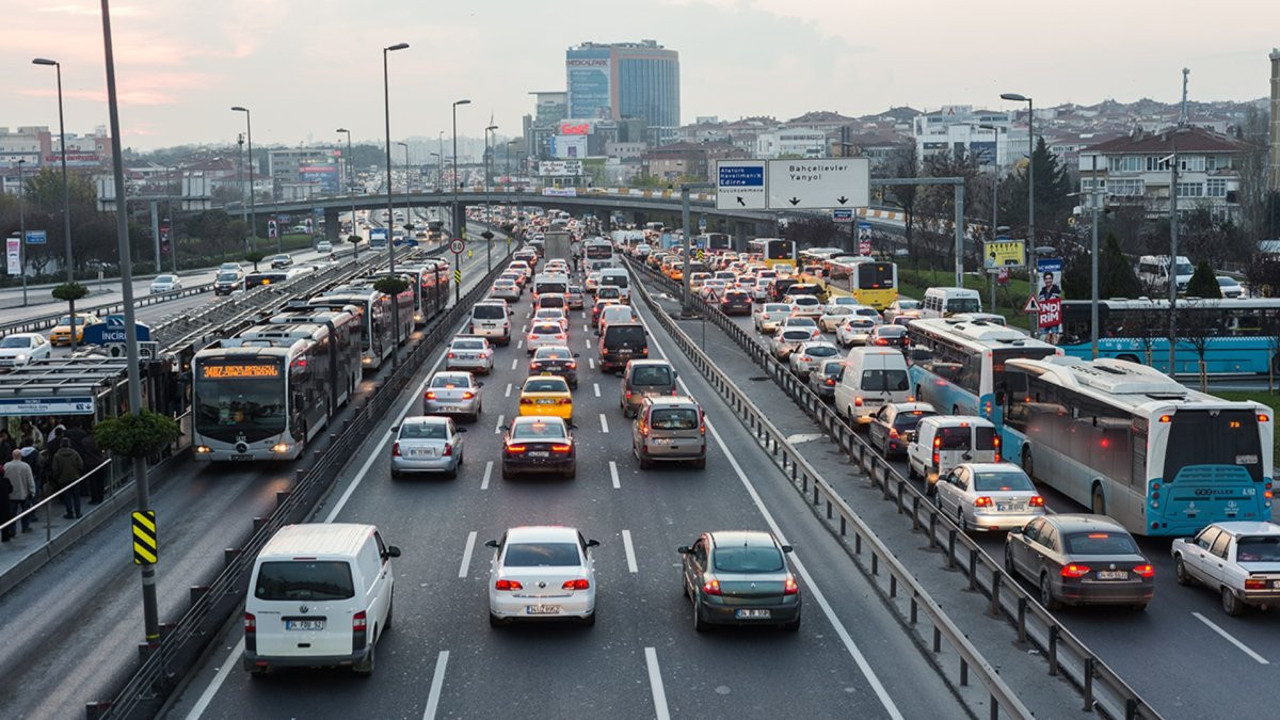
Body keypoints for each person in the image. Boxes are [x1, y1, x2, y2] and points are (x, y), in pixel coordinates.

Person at [49, 439, 83, 520]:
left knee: (67, 496)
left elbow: (55, 468)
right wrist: (78, 472)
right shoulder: (75, 453)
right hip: (75, 477)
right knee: (76, 496)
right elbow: (80, 464)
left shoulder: (57, 455)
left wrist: (57, 476)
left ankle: (69, 512)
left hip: (63, 478)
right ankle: (78, 512)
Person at [6, 448, 36, 534]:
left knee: (12, 513)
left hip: (11, 494)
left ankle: (12, 529)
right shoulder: (26, 466)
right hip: (24, 493)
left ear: (12, 456)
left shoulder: (7, 466)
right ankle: (25, 527)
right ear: (21, 456)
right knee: (25, 511)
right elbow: (30, 480)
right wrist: (32, 491)